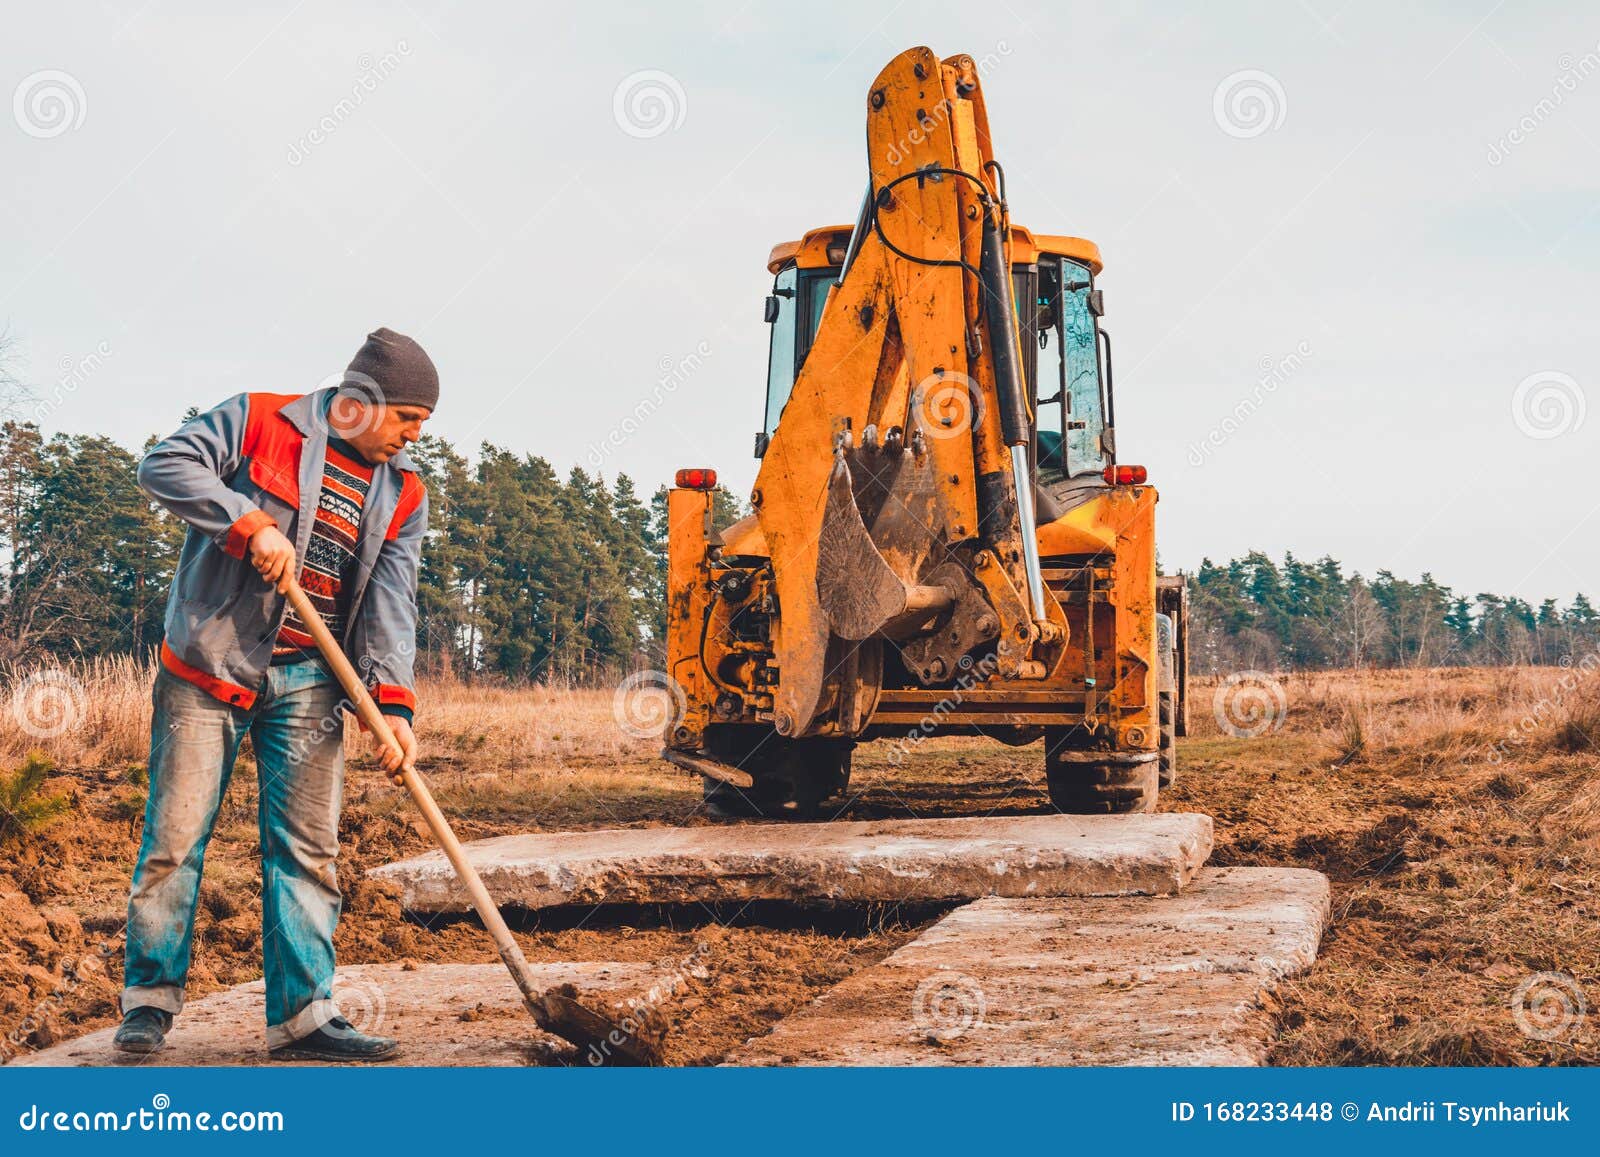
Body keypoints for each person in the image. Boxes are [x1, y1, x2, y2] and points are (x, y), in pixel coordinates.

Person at [113, 328, 435, 1061]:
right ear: (365, 400)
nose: (415, 437)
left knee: (307, 849)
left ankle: (303, 1018)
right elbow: (164, 463)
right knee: (175, 839)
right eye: (409, 419)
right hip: (210, 664)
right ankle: (149, 1002)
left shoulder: (405, 490)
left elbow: (392, 601)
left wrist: (392, 704)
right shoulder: (260, 419)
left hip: (312, 685)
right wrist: (246, 521)